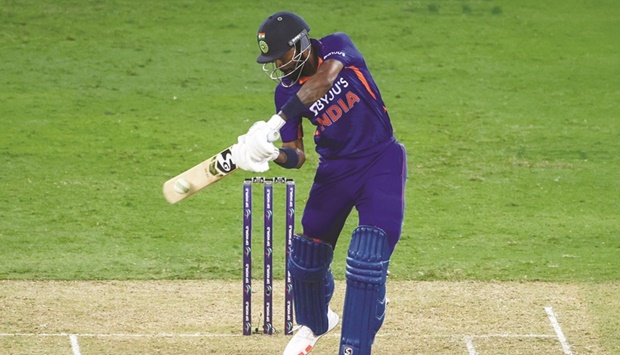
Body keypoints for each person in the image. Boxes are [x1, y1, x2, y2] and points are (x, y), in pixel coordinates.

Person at [231, 11, 407, 355]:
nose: (278, 65)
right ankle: (317, 321)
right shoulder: (284, 94)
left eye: (281, 55)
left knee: (367, 258)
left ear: (299, 44)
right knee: (306, 258)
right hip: (335, 172)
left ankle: (355, 346)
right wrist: (270, 154)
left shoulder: (337, 47)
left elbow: (323, 81)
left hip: (380, 160)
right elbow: (296, 155)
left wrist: (276, 121)